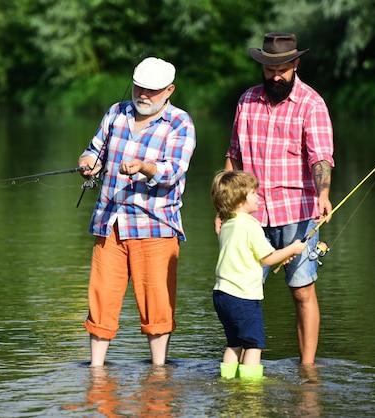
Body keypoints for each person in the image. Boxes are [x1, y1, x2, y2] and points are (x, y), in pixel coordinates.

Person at [221, 32, 335, 365]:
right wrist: (224, 207)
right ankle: (238, 363)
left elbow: (321, 158)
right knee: (239, 290)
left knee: (302, 291)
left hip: (297, 213)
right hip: (248, 216)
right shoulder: (247, 101)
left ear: (295, 64)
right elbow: (233, 156)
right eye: (269, 69)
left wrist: (323, 194)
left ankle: (308, 367)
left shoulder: (312, 104)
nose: (275, 76)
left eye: (282, 68)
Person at [78, 57, 196, 367]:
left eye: (152, 90)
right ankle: (96, 370)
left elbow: (173, 171)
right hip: (109, 221)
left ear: (169, 90)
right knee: (101, 297)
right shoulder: (116, 113)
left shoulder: (179, 123)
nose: (143, 94)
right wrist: (87, 163)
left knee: (157, 303)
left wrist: (144, 167)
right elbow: (94, 150)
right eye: (139, 87)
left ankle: (158, 371)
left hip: (155, 225)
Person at [211, 170, 306, 380]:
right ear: (241, 199)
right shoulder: (250, 225)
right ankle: (250, 391)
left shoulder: (227, 224)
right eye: (254, 193)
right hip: (243, 297)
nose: (258, 197)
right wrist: (293, 249)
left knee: (234, 343)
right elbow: (267, 259)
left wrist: (279, 255)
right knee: (254, 344)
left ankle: (226, 383)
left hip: (222, 295)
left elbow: (254, 255)